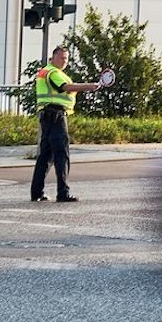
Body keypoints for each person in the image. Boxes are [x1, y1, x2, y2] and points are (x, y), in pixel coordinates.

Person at [29, 45, 102, 203]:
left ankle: (36, 193)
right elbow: (65, 87)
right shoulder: (53, 72)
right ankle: (63, 193)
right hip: (56, 116)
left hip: (47, 116)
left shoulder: (47, 72)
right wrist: (89, 86)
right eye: (62, 58)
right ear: (53, 57)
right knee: (61, 155)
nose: (64, 61)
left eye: (66, 58)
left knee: (45, 156)